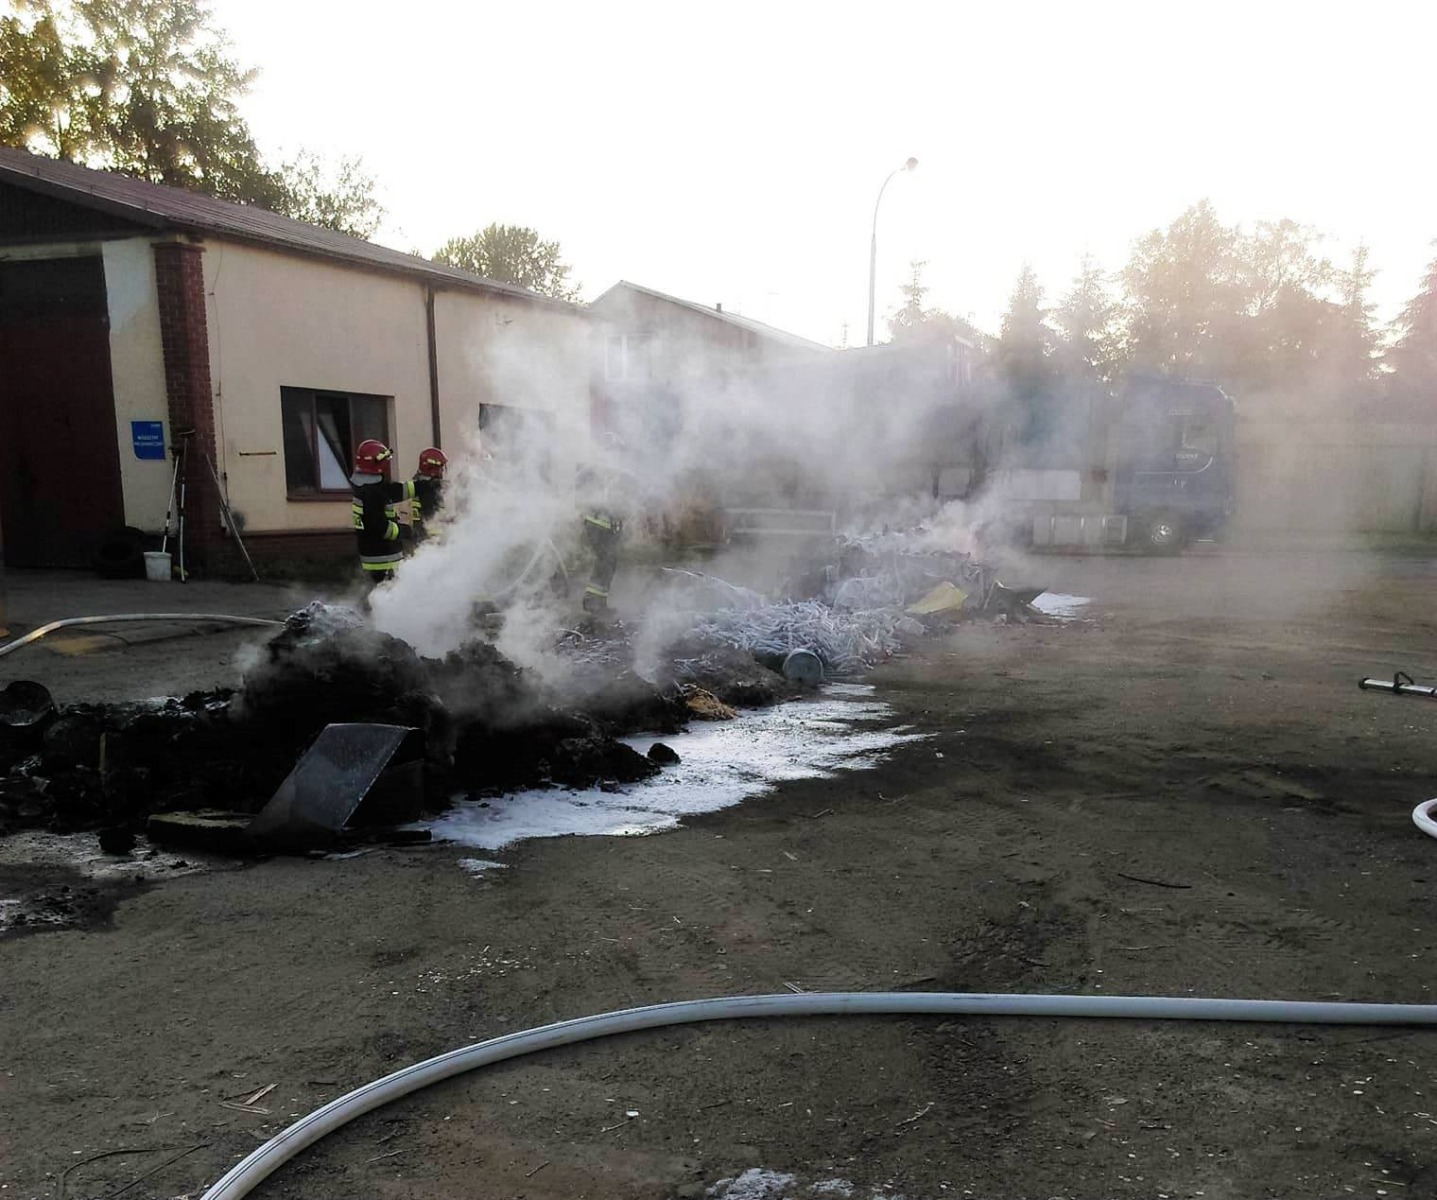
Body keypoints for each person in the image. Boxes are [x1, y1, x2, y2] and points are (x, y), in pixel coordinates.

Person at [350, 439, 415, 584]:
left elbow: (394, 491)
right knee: (387, 599)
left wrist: (425, 486)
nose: (388, 465)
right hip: (384, 559)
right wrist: (404, 531)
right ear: (378, 463)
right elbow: (380, 526)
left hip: (373, 557)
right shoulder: (371, 493)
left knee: (377, 599)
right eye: (386, 461)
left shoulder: (367, 487)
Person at [408, 446, 448, 544]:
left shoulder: (415, 483)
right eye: (440, 468)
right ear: (433, 467)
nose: (442, 471)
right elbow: (432, 518)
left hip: (415, 535)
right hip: (428, 538)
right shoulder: (429, 489)